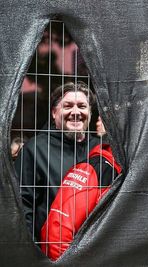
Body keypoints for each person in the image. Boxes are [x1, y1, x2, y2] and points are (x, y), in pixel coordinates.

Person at [15, 82, 100, 242]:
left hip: (95, 249)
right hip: (50, 252)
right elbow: (22, 205)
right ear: (54, 113)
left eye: (82, 106)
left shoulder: (101, 149)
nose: (76, 112)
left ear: (89, 112)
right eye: (68, 106)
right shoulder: (35, 149)